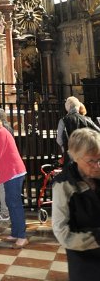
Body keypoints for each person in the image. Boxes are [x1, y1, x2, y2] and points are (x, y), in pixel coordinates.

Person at [52, 128, 100, 279]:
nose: (97, 166)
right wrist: (97, 238)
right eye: (91, 161)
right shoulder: (64, 185)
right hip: (86, 262)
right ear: (76, 157)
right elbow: (62, 233)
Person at [0, 114, 27, 247]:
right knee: (11, 202)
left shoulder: (0, 133)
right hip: (10, 172)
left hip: (13, 172)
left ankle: (22, 236)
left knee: (15, 203)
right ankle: (15, 232)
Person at [56, 97, 100, 161]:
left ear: (67, 107)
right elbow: (98, 133)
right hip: (85, 153)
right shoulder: (87, 119)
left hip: (70, 155)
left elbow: (59, 140)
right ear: (78, 106)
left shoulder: (63, 120)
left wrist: (64, 150)